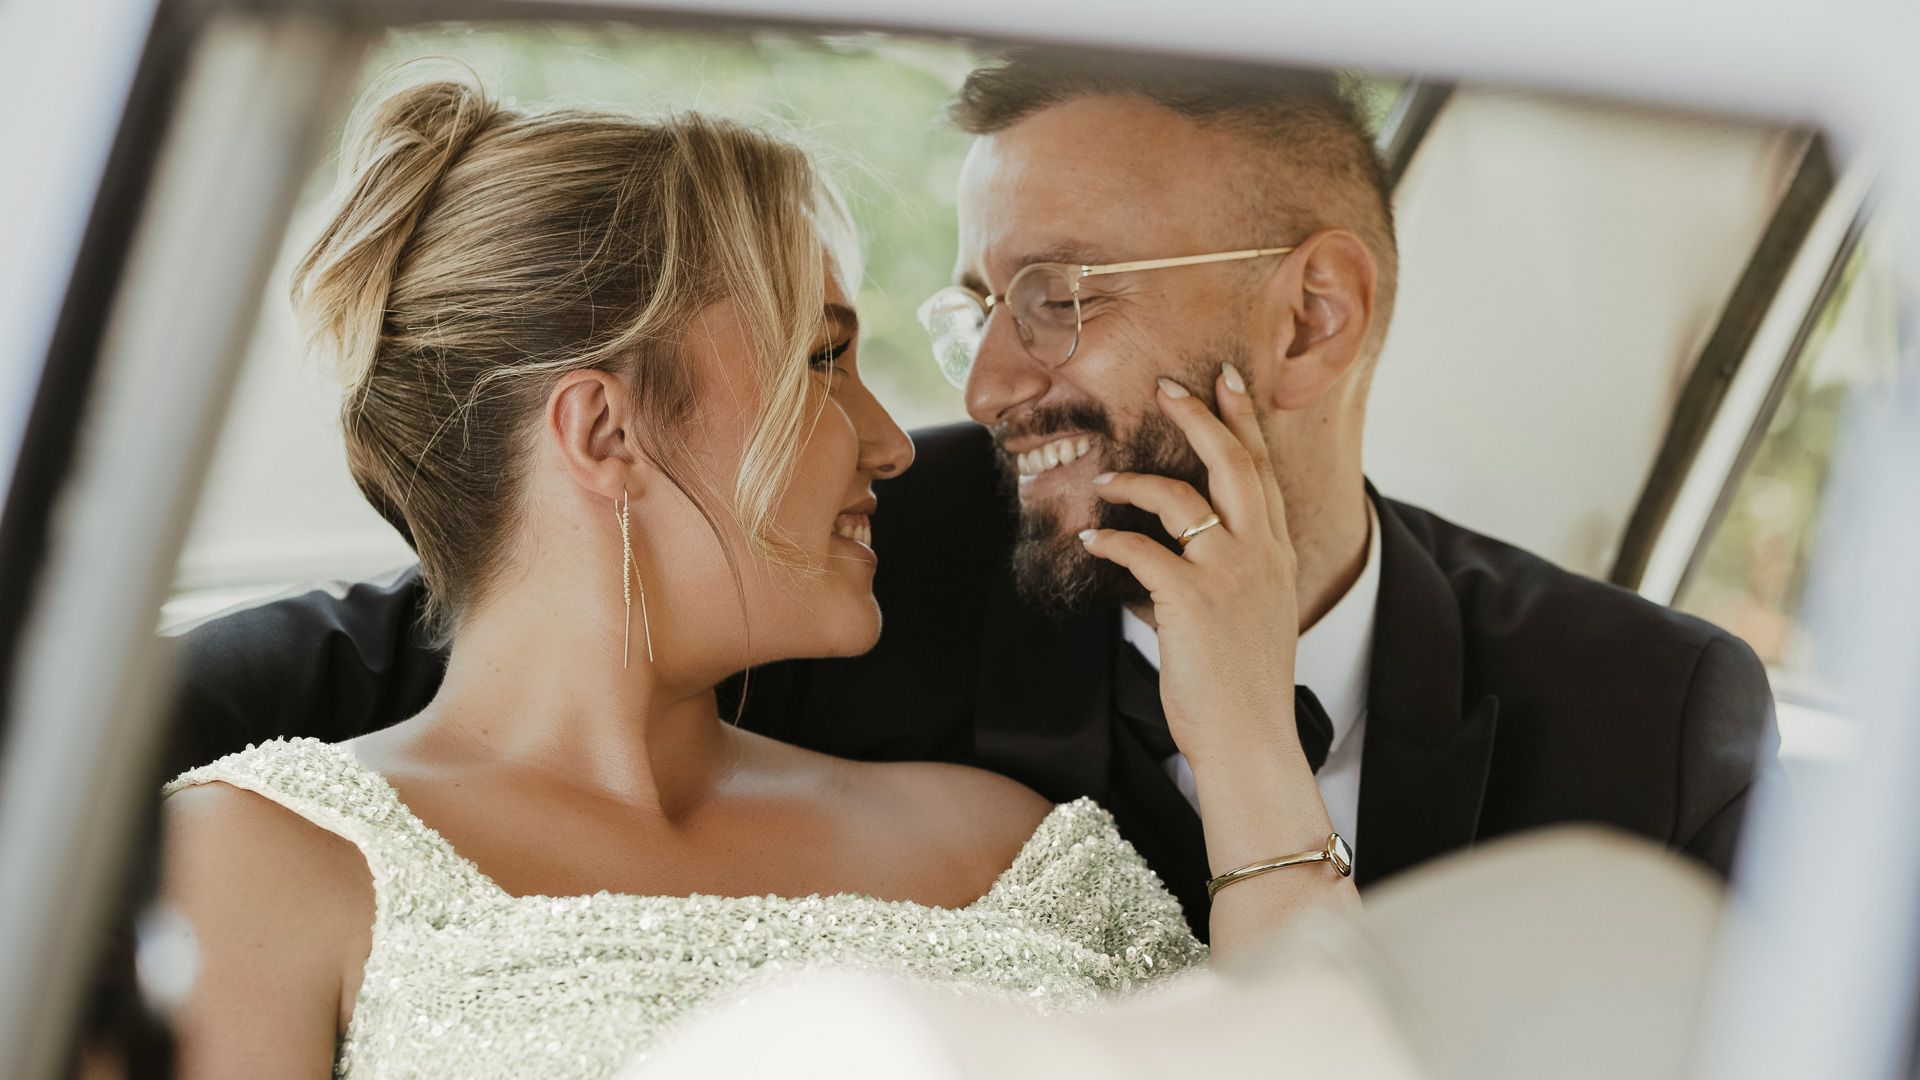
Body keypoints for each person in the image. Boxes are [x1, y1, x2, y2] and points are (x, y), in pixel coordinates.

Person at [164, 50, 1778, 941]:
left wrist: (1244, 758)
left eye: (1061, 299)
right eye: (976, 303)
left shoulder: (1652, 718)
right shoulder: (843, 558)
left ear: (1313, 316)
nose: (985, 388)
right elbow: (470, 619)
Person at [161, 80, 1354, 1079]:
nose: (894, 443)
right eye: (823, 359)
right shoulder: (256, 863)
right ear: (603, 432)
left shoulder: (1010, 851)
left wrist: (1249, 746)